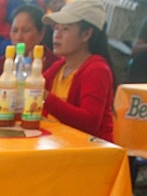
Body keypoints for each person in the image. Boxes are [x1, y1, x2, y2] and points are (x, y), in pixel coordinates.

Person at [42, 0, 115, 142]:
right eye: (56, 28)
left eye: (65, 29)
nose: (57, 35)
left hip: (90, 154)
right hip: (60, 145)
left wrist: (46, 98)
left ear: (86, 34)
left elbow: (90, 123)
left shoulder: (97, 70)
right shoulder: (59, 67)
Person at [0, 4, 60, 75]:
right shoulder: (1, 65)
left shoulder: (55, 66)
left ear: (41, 34)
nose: (18, 37)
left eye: (26, 31)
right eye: (14, 30)